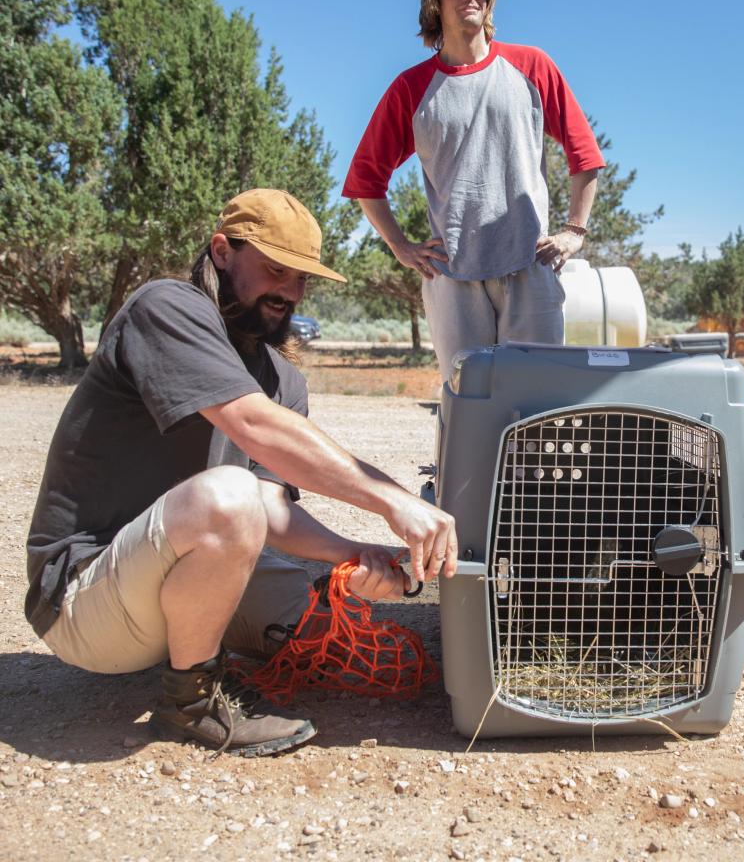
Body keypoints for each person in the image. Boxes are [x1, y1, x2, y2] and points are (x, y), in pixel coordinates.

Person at [24, 188, 458, 757]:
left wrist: (355, 552)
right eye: (276, 269)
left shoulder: (283, 377)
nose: (290, 292)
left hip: (163, 587)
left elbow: (271, 508)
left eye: (303, 278)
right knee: (227, 496)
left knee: (318, 600)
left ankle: (206, 643)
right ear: (223, 251)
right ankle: (190, 704)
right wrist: (394, 499)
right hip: (87, 603)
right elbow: (252, 427)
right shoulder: (167, 307)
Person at [342, 0, 605, 381]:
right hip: (452, 276)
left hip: (529, 265)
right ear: (435, 2)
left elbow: (585, 155)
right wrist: (400, 247)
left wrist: (574, 230)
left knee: (536, 404)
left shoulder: (531, 67)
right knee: (467, 401)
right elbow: (365, 181)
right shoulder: (411, 88)